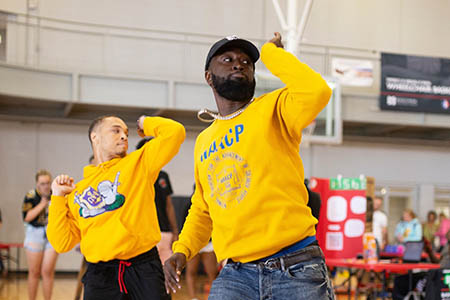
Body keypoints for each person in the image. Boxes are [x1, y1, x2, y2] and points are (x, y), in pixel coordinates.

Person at [164, 32, 334, 300]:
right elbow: (203, 207)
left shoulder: (275, 108)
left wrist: (271, 53)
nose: (238, 64)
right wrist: (182, 249)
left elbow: (317, 90)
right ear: (209, 76)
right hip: (235, 273)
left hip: (296, 265)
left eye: (246, 62)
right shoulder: (204, 140)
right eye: (228, 59)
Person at [47, 115, 185, 300]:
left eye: (126, 133)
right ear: (95, 137)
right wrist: (57, 197)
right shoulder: (78, 191)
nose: (124, 136)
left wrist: (146, 123)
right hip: (101, 277)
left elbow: (175, 132)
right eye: (116, 130)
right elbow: (61, 243)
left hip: (144, 270)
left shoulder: (139, 163)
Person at [136, 138, 179, 264]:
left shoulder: (162, 176)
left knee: (167, 271)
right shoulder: (135, 175)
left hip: (164, 231)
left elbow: (168, 205)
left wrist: (175, 231)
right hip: (142, 233)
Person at [22, 170, 59, 300]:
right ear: (37, 184)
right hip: (35, 232)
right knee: (34, 272)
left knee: (47, 271)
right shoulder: (31, 195)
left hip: (52, 233)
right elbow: (27, 217)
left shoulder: (56, 194)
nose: (46, 186)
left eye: (48, 183)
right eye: (42, 184)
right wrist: (43, 203)